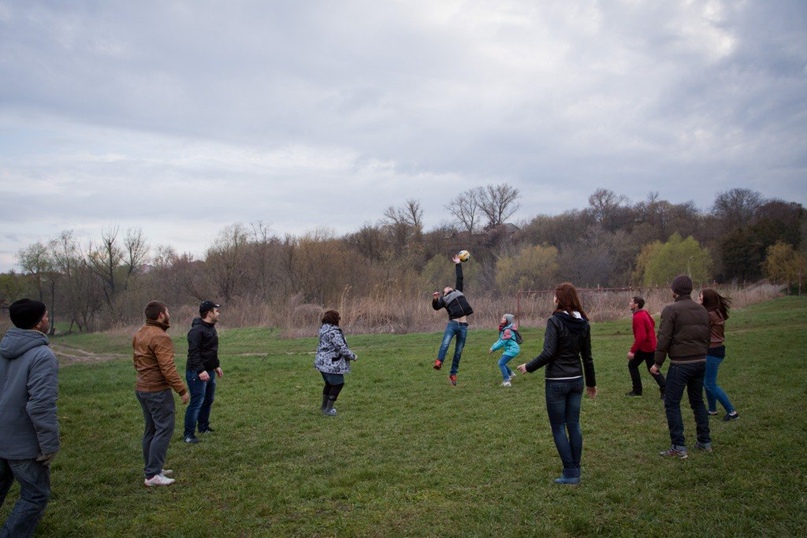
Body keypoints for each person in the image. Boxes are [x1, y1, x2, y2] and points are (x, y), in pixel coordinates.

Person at [517, 283, 597, 485]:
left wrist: (529, 366)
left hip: (557, 383)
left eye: (555, 295)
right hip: (576, 381)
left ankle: (571, 472)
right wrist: (591, 384)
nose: (552, 298)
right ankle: (575, 468)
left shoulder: (554, 321)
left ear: (560, 299)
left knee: (559, 427)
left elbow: (549, 352)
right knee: (574, 424)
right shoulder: (584, 323)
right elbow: (587, 357)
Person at [0, 299, 60, 537]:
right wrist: (49, 445)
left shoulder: (3, 350)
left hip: (2, 437)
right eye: (45, 316)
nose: (47, 319)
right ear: (37, 323)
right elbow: (41, 406)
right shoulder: (42, 356)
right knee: (35, 494)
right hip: (23, 442)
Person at [650, 275, 711, 459]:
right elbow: (707, 336)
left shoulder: (671, 310)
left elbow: (664, 339)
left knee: (671, 402)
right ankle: (705, 441)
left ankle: (678, 445)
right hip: (700, 362)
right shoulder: (702, 310)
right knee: (697, 401)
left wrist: (657, 363)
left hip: (680, 364)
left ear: (674, 290)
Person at [133, 301, 189, 487]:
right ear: (161, 315)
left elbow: (136, 361)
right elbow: (168, 368)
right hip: (156, 391)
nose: (169, 314)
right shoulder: (161, 337)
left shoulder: (140, 332)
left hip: (142, 389)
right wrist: (181, 390)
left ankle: (152, 467)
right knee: (164, 428)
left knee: (151, 429)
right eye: (167, 311)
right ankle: (152, 475)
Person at [183, 300, 224, 444]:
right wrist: (200, 370)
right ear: (209, 313)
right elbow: (193, 353)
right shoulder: (196, 331)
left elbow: (211, 351)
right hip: (196, 373)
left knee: (208, 400)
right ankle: (188, 435)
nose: (218, 313)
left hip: (209, 371)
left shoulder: (211, 328)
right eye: (216, 311)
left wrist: (216, 366)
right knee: (196, 402)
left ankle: (203, 427)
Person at [432, 254, 474, 386]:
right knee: (445, 344)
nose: (448, 287)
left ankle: (453, 374)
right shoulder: (444, 300)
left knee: (459, 351)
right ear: (444, 293)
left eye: (449, 287)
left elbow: (459, 277)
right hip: (453, 324)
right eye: (446, 288)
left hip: (463, 326)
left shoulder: (458, 291)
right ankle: (439, 362)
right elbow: (436, 307)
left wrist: (458, 264)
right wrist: (435, 299)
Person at [700, 289, 739, 421]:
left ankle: (732, 412)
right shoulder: (715, 312)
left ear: (707, 299)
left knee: (710, 383)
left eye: (701, 296)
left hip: (712, 351)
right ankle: (712, 410)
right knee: (707, 383)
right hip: (715, 350)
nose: (699, 298)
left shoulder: (709, 314)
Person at [314, 310, 357, 416]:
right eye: (338, 317)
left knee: (329, 384)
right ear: (335, 319)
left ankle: (324, 407)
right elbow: (342, 348)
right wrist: (353, 356)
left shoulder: (323, 328)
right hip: (330, 363)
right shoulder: (333, 332)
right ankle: (328, 410)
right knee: (338, 384)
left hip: (321, 361)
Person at [625, 296, 666, 399]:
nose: (629, 303)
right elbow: (652, 323)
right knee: (652, 368)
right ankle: (665, 389)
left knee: (632, 365)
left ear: (636, 305)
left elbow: (641, 336)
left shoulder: (638, 317)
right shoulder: (644, 313)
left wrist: (632, 351)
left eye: (631, 302)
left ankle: (637, 390)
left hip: (646, 347)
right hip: (651, 345)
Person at [489, 313, 520, 387]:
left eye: (503, 318)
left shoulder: (507, 330)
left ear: (507, 320)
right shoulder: (504, 329)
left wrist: (494, 349)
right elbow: (500, 340)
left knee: (501, 363)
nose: (502, 319)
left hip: (512, 349)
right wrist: (492, 347)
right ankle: (511, 374)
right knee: (502, 362)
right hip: (510, 349)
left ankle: (507, 381)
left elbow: (503, 342)